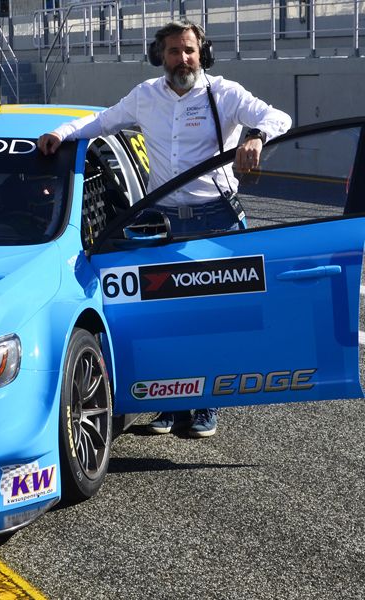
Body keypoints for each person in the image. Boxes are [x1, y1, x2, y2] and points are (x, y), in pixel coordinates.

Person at [37, 19, 292, 438]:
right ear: (161, 56)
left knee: (210, 318)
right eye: (173, 51)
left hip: (216, 220)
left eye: (189, 50)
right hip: (162, 223)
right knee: (166, 317)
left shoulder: (224, 93)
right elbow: (99, 122)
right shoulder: (145, 97)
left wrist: (255, 136)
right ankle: (171, 406)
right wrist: (58, 133)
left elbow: (278, 117)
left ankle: (206, 406)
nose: (183, 59)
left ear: (202, 52)